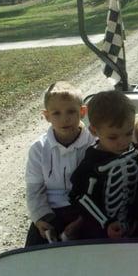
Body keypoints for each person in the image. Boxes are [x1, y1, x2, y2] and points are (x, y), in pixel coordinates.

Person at [24, 81, 96, 246]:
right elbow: (34, 188)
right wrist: (41, 217)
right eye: (56, 113)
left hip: (85, 210)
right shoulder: (39, 148)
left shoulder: (93, 144)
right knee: (34, 254)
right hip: (51, 211)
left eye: (71, 111)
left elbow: (98, 187)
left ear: (83, 111)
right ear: (47, 116)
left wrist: (82, 219)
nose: (65, 119)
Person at [69, 90, 138, 239]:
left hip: (135, 225)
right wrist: (105, 222)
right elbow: (78, 196)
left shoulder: (134, 152)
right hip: (100, 232)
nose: (123, 142)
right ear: (94, 131)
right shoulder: (91, 164)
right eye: (113, 137)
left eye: (128, 133)